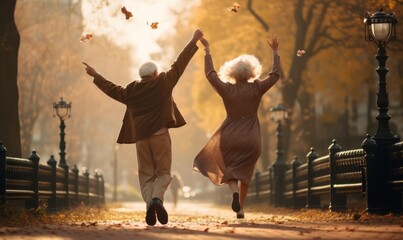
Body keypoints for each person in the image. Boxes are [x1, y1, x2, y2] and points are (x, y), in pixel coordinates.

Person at [83, 29, 203, 226]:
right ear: (155, 73)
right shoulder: (164, 82)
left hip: (141, 140)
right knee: (164, 173)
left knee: (146, 176)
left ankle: (150, 205)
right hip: (161, 136)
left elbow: (112, 89)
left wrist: (95, 75)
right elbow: (179, 63)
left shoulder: (131, 90)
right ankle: (157, 200)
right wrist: (193, 40)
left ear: (141, 75)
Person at [193, 34, 280, 219]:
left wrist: (207, 51)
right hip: (251, 137)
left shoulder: (227, 89)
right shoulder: (257, 88)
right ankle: (240, 208)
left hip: (230, 135)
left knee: (230, 168)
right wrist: (275, 52)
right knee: (246, 173)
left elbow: (210, 75)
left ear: (233, 73)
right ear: (251, 72)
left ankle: (233, 192)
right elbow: (275, 75)